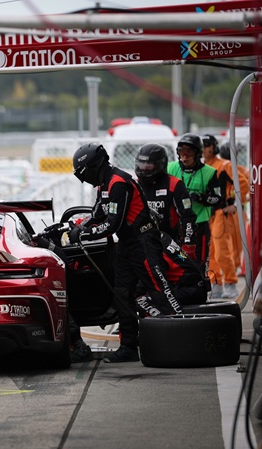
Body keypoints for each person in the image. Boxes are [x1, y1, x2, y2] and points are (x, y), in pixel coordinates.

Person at [69, 143, 182, 363]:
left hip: (144, 242)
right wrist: (76, 227)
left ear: (93, 166)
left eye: (83, 174)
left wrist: (84, 234)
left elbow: (113, 223)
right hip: (126, 244)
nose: (85, 179)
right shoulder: (104, 184)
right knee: (122, 294)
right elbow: (97, 215)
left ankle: (181, 338)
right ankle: (128, 346)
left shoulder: (118, 182)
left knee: (159, 289)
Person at [166, 133, 221, 281]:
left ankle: (200, 287)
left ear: (197, 154)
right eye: (181, 152)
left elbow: (217, 199)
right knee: (173, 262)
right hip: (176, 226)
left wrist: (201, 197)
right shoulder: (170, 167)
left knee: (198, 264)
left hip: (198, 225)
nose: (184, 156)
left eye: (189, 152)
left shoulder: (209, 172)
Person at [202, 136, 249, 299]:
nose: (204, 149)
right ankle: (216, 284)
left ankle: (230, 283)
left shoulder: (224, 166)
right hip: (208, 214)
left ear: (213, 147)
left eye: (206, 145)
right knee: (210, 253)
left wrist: (235, 205)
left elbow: (243, 185)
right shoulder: (203, 168)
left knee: (222, 252)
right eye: (202, 146)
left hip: (221, 214)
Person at [134, 143, 197, 260]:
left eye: (148, 166)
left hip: (170, 243)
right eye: (141, 165)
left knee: (187, 267)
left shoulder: (175, 185)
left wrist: (188, 243)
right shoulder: (135, 185)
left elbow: (187, 216)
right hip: (142, 243)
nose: (144, 169)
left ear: (160, 164)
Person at [219, 142, 251, 278]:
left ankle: (235, 267)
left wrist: (238, 199)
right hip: (224, 211)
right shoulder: (222, 168)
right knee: (225, 242)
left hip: (237, 210)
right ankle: (228, 268)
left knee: (237, 242)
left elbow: (249, 192)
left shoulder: (243, 171)